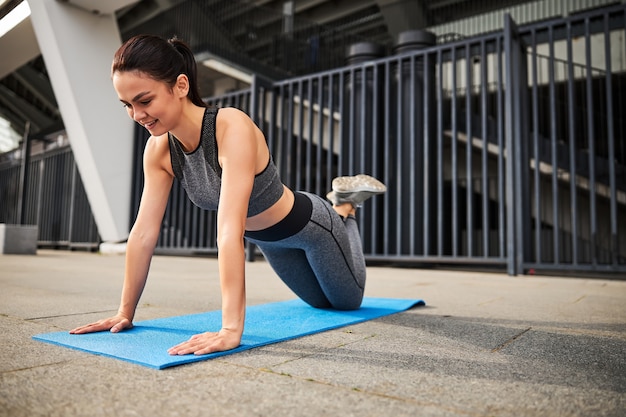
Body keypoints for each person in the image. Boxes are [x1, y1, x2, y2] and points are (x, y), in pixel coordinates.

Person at [70, 34, 386, 356]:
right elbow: (142, 234)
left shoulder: (230, 126)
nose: (137, 115)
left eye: (145, 101)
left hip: (313, 228)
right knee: (320, 303)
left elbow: (228, 230)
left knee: (346, 303)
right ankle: (341, 205)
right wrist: (125, 311)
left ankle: (343, 207)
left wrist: (231, 329)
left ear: (180, 86)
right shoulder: (158, 151)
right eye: (128, 105)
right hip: (271, 244)